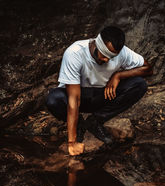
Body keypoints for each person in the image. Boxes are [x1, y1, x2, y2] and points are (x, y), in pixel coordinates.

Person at [46, 26, 153, 156]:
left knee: (139, 85)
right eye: (105, 55)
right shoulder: (75, 52)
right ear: (98, 45)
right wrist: (71, 142)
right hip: (79, 96)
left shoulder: (123, 52)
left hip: (102, 95)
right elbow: (74, 99)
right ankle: (79, 124)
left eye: (111, 57)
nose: (107, 60)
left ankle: (95, 121)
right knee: (53, 99)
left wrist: (118, 76)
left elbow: (148, 68)